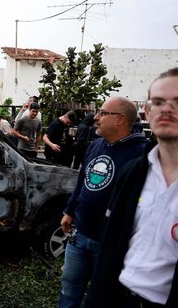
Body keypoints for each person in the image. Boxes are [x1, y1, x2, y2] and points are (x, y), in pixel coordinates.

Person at [84, 69, 178, 308]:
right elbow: (111, 241)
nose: (166, 109)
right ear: (147, 112)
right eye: (158, 102)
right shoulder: (134, 172)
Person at [59, 97, 149, 308]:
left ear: (120, 119)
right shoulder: (96, 145)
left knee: (102, 297)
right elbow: (83, 181)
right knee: (69, 289)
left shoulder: (143, 153)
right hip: (79, 235)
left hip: (110, 243)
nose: (96, 118)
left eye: (102, 113)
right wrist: (70, 211)